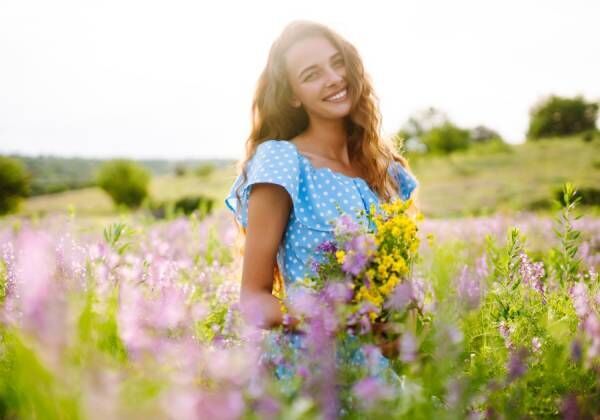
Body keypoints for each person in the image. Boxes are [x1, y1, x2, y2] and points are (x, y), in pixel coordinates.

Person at [224, 20, 419, 390]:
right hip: (309, 374)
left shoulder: (383, 168)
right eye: (312, 74)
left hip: (374, 373)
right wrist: (333, 318)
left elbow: (393, 283)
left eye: (337, 62)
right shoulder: (282, 160)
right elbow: (253, 300)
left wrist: (395, 327)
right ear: (293, 94)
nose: (333, 78)